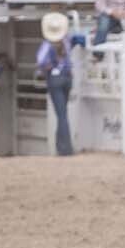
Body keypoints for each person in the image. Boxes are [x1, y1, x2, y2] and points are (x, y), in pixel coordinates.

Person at [36, 12, 76, 156]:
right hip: (67, 77)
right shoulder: (66, 41)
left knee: (61, 115)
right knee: (63, 113)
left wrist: (46, 68)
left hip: (54, 79)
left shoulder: (47, 44)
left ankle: (65, 148)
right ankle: (62, 146)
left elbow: (41, 61)